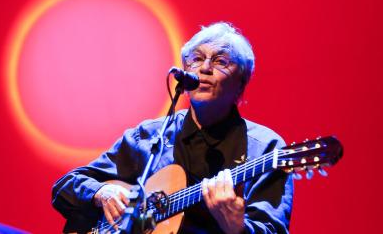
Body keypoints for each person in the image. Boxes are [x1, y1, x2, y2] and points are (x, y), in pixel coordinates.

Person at [52, 22, 294, 234]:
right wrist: (100, 193)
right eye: (196, 59)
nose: (205, 68)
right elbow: (66, 185)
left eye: (220, 61)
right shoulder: (150, 136)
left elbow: (272, 228)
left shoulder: (265, 148)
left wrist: (238, 228)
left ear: (240, 86)